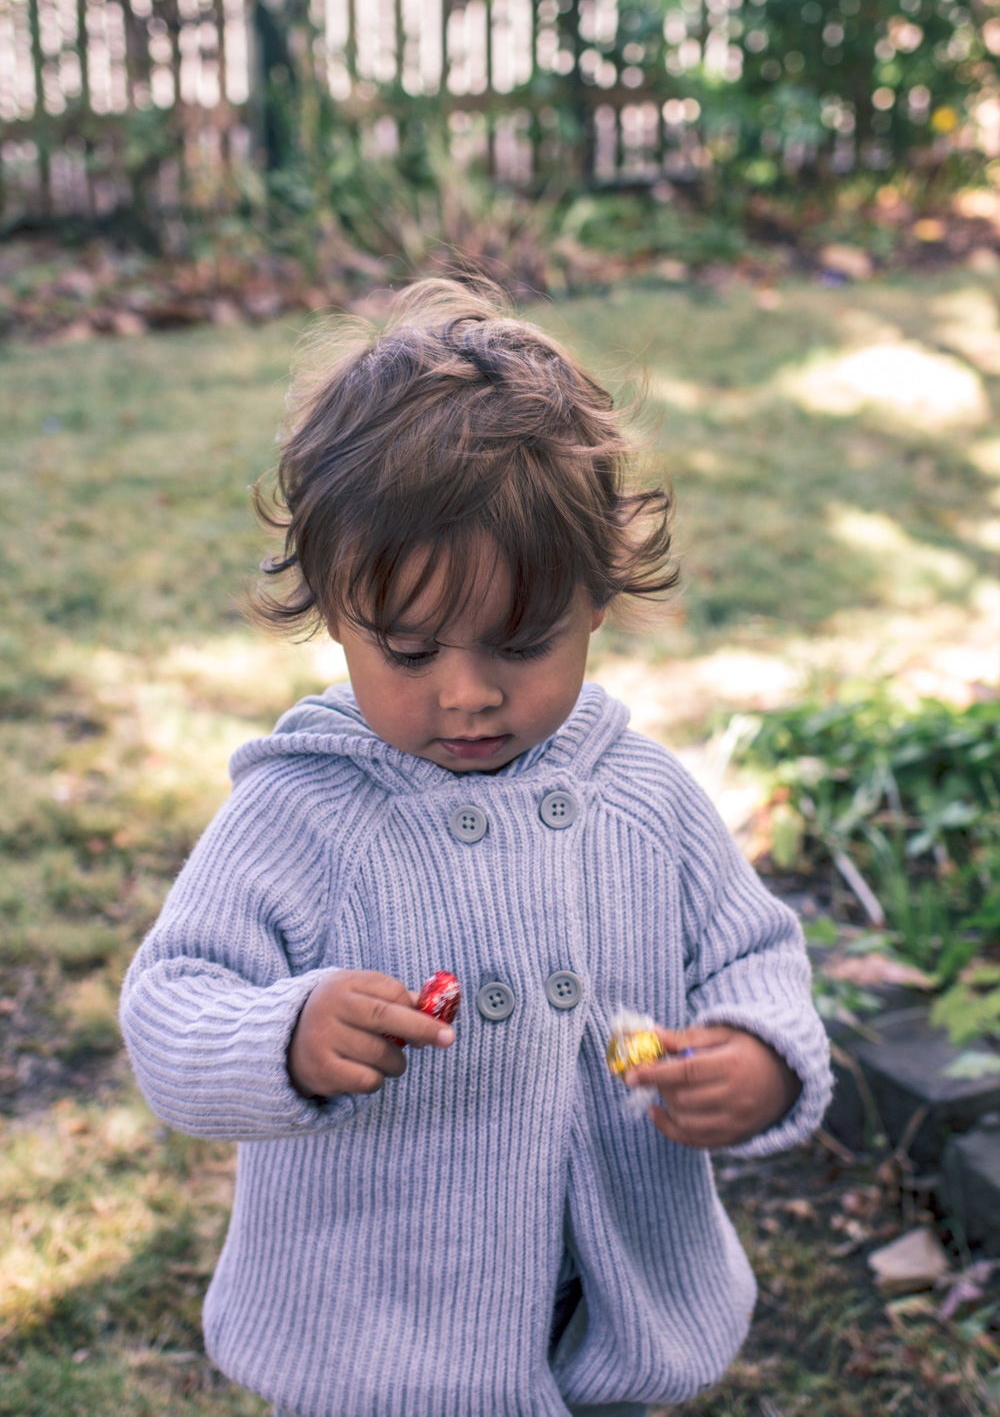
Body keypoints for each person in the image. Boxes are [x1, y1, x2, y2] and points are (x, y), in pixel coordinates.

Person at [120, 278, 832, 1417]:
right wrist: (287, 1035)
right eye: (407, 650)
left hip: (607, 1319)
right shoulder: (304, 815)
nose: (466, 695)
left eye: (520, 643)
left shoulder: (639, 798)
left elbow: (752, 953)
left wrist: (760, 1055)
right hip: (381, 1341)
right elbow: (171, 1006)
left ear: (597, 599)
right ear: (333, 612)